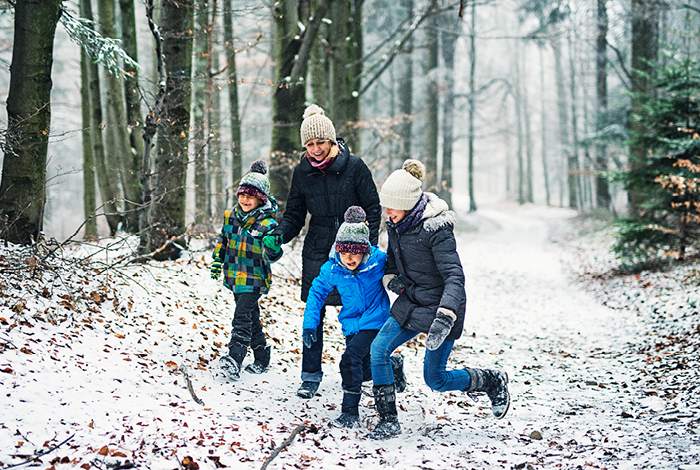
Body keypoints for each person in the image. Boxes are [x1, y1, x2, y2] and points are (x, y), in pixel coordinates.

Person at [367, 159, 510, 440]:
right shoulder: (395, 226)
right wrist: (392, 280)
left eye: (392, 206)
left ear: (407, 203)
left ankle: (492, 380)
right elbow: (393, 264)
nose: (388, 212)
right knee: (378, 349)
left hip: (443, 308)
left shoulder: (437, 230)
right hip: (411, 301)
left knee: (436, 379)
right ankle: (388, 420)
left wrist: (445, 315)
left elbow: (455, 277)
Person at [263, 104, 381, 399]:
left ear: (332, 141)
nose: (315, 149)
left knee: (357, 313)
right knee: (314, 313)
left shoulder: (355, 168)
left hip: (354, 252)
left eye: (320, 143)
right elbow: (294, 215)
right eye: (310, 144)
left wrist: (368, 248)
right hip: (317, 249)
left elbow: (374, 210)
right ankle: (310, 375)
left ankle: (367, 369)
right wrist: (279, 234)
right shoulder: (302, 173)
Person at [302, 206, 406, 428]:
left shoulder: (378, 261)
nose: (349, 258)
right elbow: (316, 292)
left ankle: (349, 412)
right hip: (351, 325)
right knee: (365, 370)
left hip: (376, 321)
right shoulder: (333, 268)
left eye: (354, 253)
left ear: (364, 250)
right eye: (344, 252)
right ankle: (393, 364)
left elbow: (398, 266)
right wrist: (310, 325)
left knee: (349, 361)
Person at [211, 160, 283, 380]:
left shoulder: (267, 224)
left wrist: (273, 248)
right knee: (251, 317)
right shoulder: (229, 217)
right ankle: (262, 357)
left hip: (254, 277)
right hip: (233, 274)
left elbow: (273, 254)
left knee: (241, 316)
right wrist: (217, 260)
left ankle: (236, 357)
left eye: (250, 197)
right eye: (242, 195)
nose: (244, 200)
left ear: (260, 200)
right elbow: (223, 241)